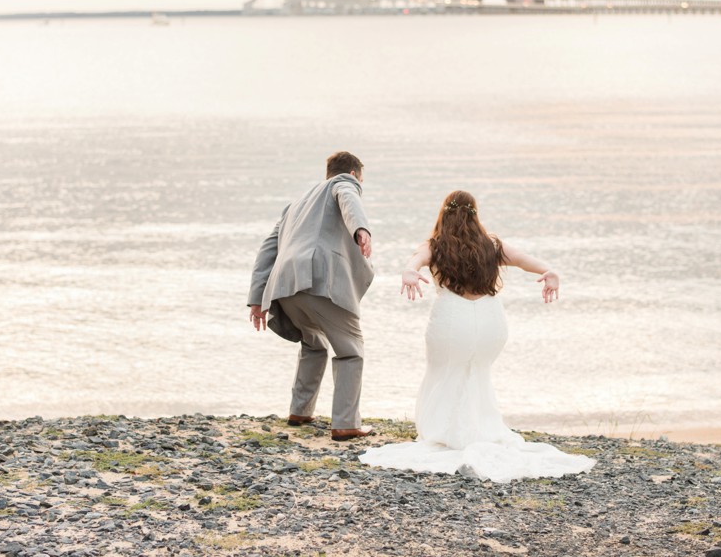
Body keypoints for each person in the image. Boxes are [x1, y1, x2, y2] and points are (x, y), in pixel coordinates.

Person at [358, 191, 594, 481]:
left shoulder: (436, 245)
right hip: (490, 321)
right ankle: (480, 429)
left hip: (452, 319)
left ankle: (444, 433)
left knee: (443, 372)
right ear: (475, 214)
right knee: (477, 373)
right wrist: (550, 271)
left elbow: (416, 259)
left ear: (443, 213)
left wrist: (409, 271)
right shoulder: (492, 245)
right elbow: (524, 259)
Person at [247, 151, 376, 441]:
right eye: (361, 181)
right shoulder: (344, 183)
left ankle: (300, 411)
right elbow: (348, 196)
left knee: (313, 342)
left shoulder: (296, 205)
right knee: (351, 349)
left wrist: (257, 298)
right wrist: (360, 229)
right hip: (319, 280)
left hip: (285, 286)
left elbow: (268, 248)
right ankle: (346, 423)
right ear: (354, 174)